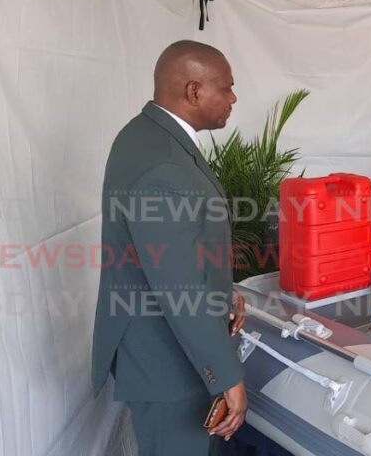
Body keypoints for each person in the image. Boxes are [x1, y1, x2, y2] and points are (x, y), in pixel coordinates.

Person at [91, 40, 247, 455]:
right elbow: (179, 288)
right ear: (194, 91)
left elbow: (173, 251)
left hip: (161, 349)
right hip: (168, 363)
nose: (233, 98)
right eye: (226, 88)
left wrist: (222, 290)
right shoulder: (163, 162)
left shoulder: (148, 136)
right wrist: (227, 377)